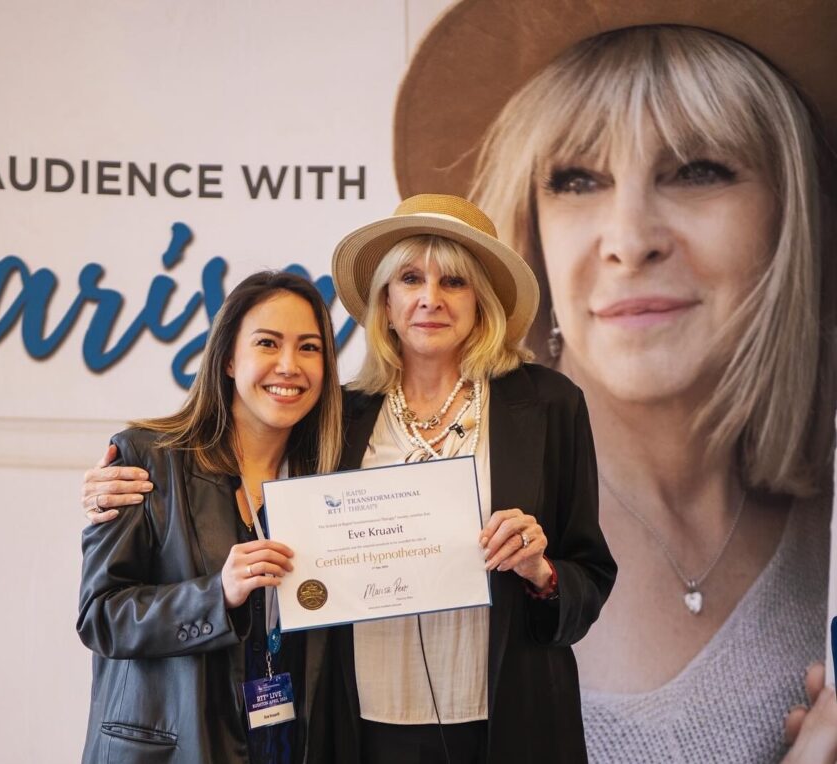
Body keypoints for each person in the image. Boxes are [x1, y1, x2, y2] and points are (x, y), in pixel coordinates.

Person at [392, 2, 837, 762]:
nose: (629, 240)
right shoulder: (430, 528)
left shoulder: (831, 522)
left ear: (790, 213)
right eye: (576, 179)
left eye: (699, 170)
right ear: (527, 232)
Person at [85, 194, 618, 763]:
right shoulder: (338, 417)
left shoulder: (549, 406)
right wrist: (114, 481)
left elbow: (589, 571)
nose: (430, 299)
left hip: (511, 721)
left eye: (455, 282)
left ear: (482, 300)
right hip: (358, 726)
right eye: (410, 278)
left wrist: (542, 573)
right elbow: (236, 452)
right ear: (384, 302)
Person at [77, 271, 343, 764]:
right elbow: (101, 618)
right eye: (268, 343)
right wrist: (215, 595)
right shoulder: (147, 457)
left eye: (309, 348)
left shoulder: (328, 476)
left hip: (284, 742)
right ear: (227, 358)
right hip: (174, 749)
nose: (289, 366)